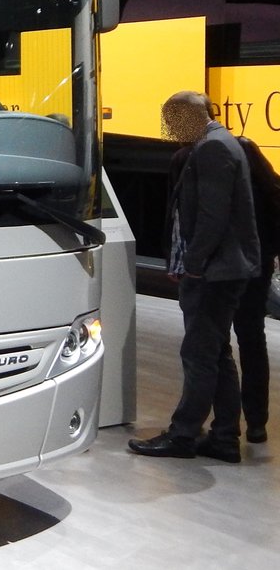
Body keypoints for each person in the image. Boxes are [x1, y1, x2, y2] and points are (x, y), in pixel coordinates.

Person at [128, 91, 261, 463]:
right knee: (217, 353)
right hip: (223, 269)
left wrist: (195, 263)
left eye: (172, 120)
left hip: (215, 272)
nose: (169, 128)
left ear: (190, 116)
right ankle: (223, 438)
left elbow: (212, 216)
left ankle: (183, 434)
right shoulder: (218, 143)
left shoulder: (212, 148)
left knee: (199, 354)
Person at [233, 136, 280, 444]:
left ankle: (223, 422)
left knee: (215, 344)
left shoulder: (233, 187)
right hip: (259, 269)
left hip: (230, 271)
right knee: (253, 341)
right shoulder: (271, 189)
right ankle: (257, 422)